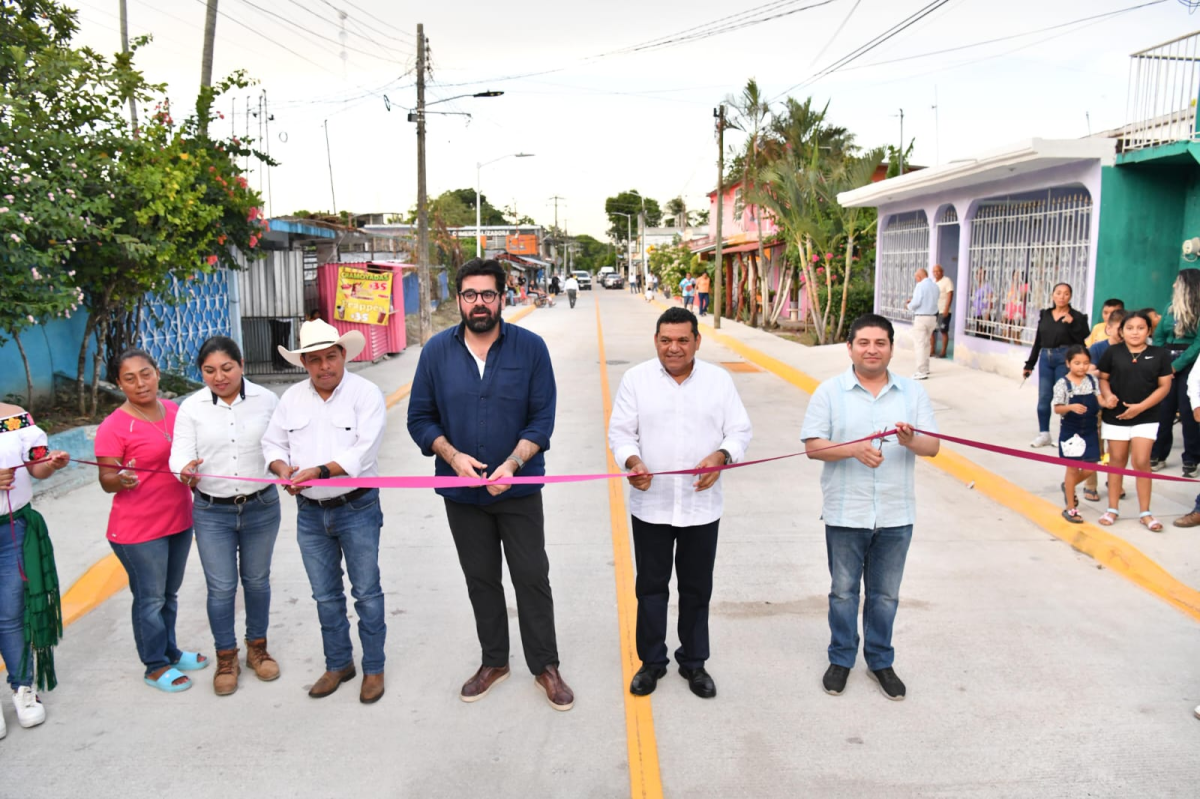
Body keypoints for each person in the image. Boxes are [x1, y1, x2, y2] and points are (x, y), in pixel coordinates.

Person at [407, 258, 573, 712]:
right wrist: (452, 457)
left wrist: (514, 464)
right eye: (469, 294)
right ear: (459, 299)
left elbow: (542, 419)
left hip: (518, 490)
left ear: (502, 297)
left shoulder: (530, 349)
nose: (478, 303)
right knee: (481, 579)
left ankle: (545, 666)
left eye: (487, 294)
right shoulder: (436, 353)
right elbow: (420, 417)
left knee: (532, 577)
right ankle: (494, 661)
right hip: (462, 494)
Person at [608, 307, 752, 700]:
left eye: (683, 340)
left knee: (696, 589)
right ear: (656, 340)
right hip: (651, 505)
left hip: (701, 507)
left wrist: (722, 456)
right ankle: (652, 662)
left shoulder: (718, 381)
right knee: (650, 589)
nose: (674, 348)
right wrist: (632, 462)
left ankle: (694, 662)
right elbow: (621, 433)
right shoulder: (636, 380)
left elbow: (739, 431)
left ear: (697, 342)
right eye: (666, 340)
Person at [801, 313, 939, 701]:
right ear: (849, 348)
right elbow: (813, 447)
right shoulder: (829, 392)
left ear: (892, 349)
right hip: (847, 510)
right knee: (843, 592)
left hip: (896, 513)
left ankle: (880, 661)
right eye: (863, 343)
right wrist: (853, 450)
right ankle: (841, 659)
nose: (872, 350)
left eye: (880, 343)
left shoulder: (912, 393)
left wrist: (910, 440)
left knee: (885, 595)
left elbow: (932, 446)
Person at [262, 319, 388, 704]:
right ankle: (338, 664)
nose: (324, 366)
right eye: (314, 360)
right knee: (325, 595)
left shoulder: (365, 394)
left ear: (343, 354)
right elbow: (272, 444)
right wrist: (282, 470)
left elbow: (363, 452)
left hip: (357, 507)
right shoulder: (291, 399)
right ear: (303, 363)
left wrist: (319, 471)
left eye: (330, 357)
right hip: (310, 512)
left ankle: (374, 668)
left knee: (366, 592)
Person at [169, 336, 282, 696]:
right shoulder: (191, 408)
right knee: (221, 588)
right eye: (209, 371)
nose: (219, 377)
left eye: (226, 368)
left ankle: (257, 649)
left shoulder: (267, 400)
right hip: (211, 511)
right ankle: (226, 657)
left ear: (242, 364)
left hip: (261, 507)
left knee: (257, 581)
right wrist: (184, 470)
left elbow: (281, 445)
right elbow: (179, 454)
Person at [94, 349, 205, 693]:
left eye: (145, 374)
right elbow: (106, 480)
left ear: (157, 373)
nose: (140, 383)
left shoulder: (173, 410)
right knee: (150, 599)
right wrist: (121, 479)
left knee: (168, 594)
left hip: (178, 520)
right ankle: (154, 666)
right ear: (119, 383)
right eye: (129, 378)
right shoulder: (114, 426)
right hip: (138, 531)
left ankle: (170, 652)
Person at [0, 404, 69, 733]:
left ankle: (23, 687)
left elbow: (36, 466)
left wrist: (50, 463)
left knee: (12, 613)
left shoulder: (15, 418)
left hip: (12, 531)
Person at [1096, 310, 1173, 531]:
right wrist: (1108, 396)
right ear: (1121, 331)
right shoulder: (1112, 352)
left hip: (1146, 416)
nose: (1135, 332)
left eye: (1141, 328)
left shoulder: (1160, 354)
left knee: (1141, 461)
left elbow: (1164, 386)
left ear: (1149, 331)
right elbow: (1103, 379)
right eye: (1129, 328)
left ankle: (1145, 513)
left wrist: (1140, 407)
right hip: (1116, 416)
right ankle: (1112, 509)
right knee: (1117, 461)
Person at [1023, 283, 1090, 448]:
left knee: (1064, 397)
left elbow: (1083, 338)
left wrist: (1072, 324)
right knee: (1044, 397)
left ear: (1070, 297)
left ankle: (1065, 435)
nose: (1062, 297)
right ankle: (1044, 434)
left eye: (1066, 293)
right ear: (1053, 295)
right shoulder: (1045, 314)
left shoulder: (1077, 316)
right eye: (1058, 293)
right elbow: (1038, 340)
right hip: (1046, 358)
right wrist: (1030, 364)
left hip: (1064, 358)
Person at [1151, 270, 1200, 476]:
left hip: (1191, 364)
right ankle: (1158, 454)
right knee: (1164, 410)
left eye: (1177, 282)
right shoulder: (1169, 308)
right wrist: (1163, 364)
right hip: (1166, 360)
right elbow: (1159, 336)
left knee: (1189, 412)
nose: (1173, 286)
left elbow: (1198, 343)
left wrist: (1177, 366)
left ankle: (1191, 458)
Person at [1053, 345, 1101, 523]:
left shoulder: (1092, 380)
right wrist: (1071, 407)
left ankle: (1068, 486)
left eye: (1086, 363)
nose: (1082, 367)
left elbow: (1100, 399)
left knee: (1091, 467)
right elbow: (1057, 408)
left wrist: (1109, 401)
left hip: (1090, 429)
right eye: (1077, 363)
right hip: (1071, 431)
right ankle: (1070, 508)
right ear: (1068, 363)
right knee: (1072, 469)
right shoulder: (1062, 384)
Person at [1082, 309, 1126, 503]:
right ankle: (1090, 484)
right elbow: (1087, 370)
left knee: (1119, 449)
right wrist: (1106, 373)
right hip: (1098, 404)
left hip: (1123, 405)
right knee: (1095, 445)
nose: (1124, 333)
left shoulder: (1133, 349)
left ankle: (1114, 480)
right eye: (1120, 328)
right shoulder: (1098, 349)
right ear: (1109, 329)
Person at [905, 268, 939, 380]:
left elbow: (916, 302)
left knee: (919, 344)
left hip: (921, 317)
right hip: (932, 317)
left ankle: (921, 371)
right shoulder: (935, 286)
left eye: (916, 278)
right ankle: (926, 367)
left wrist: (908, 306)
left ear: (919, 277)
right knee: (927, 343)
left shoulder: (920, 286)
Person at [931, 264, 954, 358]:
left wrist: (946, 308)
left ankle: (943, 352)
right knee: (932, 331)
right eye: (934, 271)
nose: (936, 273)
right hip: (934, 311)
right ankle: (932, 350)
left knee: (943, 331)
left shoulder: (947, 281)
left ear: (942, 272)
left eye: (938, 271)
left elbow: (950, 294)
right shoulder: (933, 282)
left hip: (943, 311)